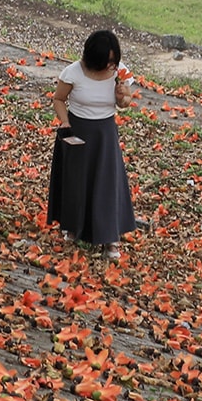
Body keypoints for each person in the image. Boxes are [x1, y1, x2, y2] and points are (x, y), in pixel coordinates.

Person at [47, 30, 139, 259]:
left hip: (105, 132)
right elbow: (59, 99)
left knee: (107, 184)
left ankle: (111, 239)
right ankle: (74, 228)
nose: (109, 65)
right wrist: (65, 122)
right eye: (105, 61)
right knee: (77, 183)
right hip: (77, 130)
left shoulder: (120, 72)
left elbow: (127, 102)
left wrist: (122, 98)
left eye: (112, 60)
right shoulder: (73, 72)